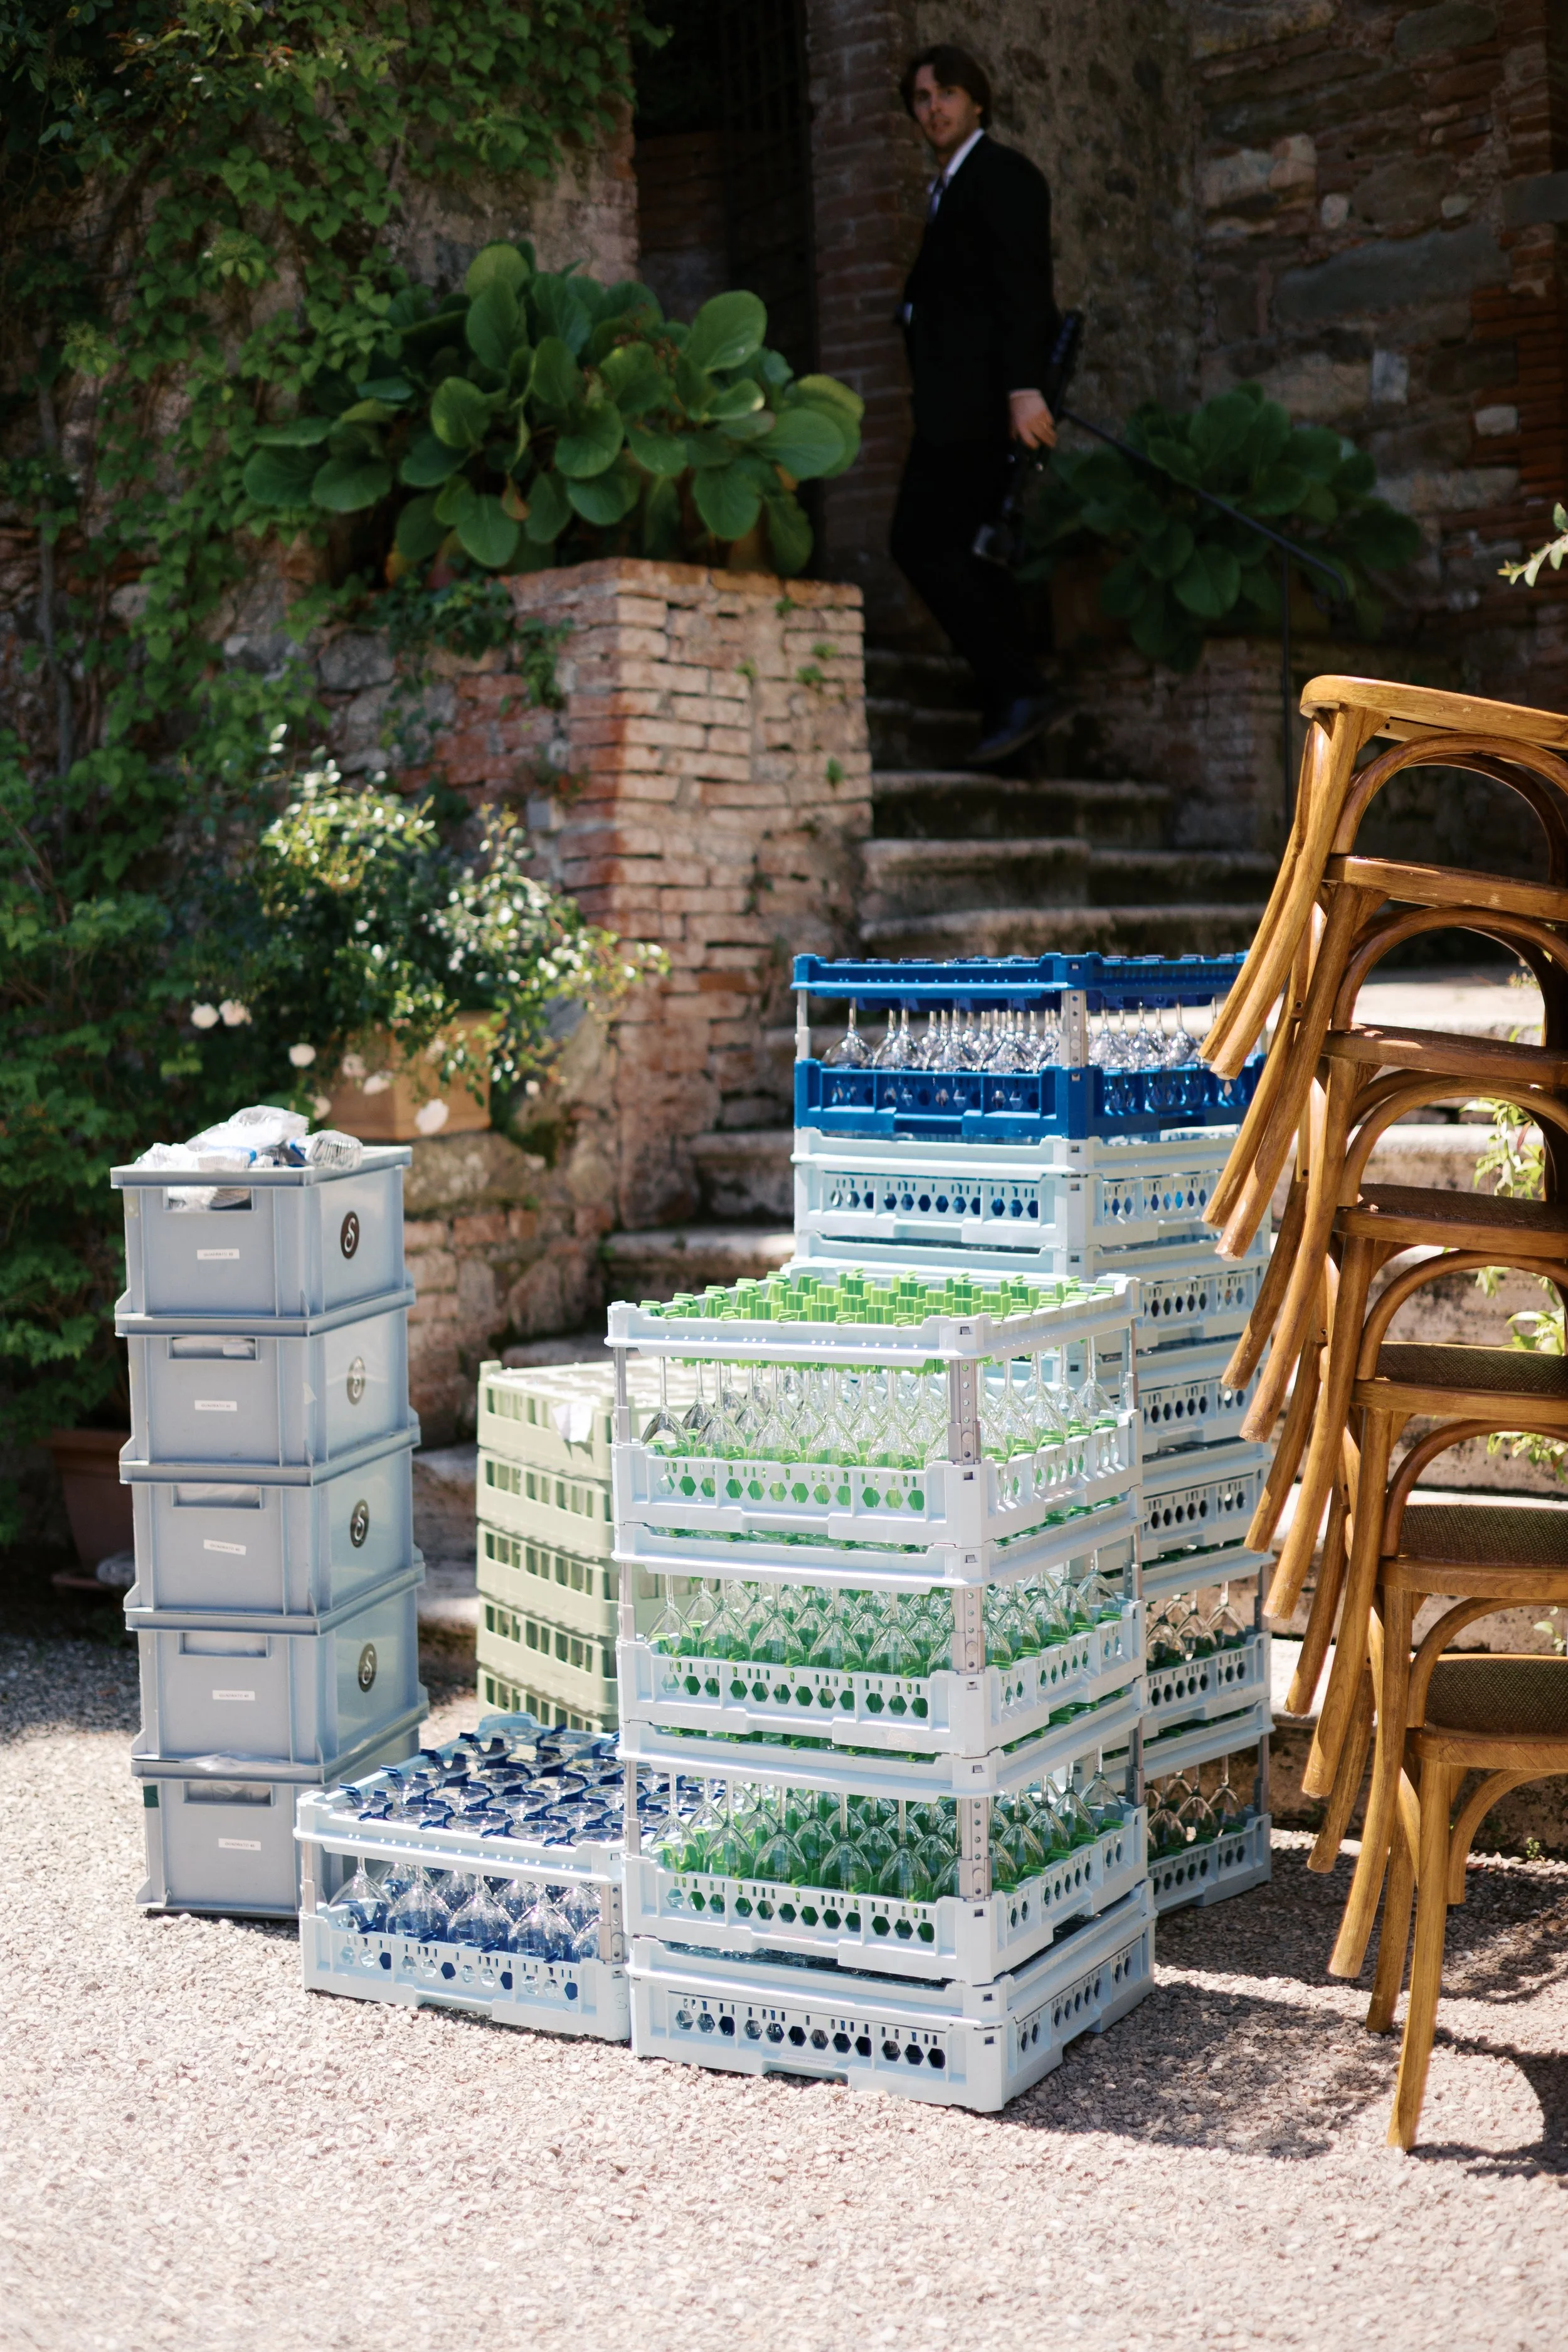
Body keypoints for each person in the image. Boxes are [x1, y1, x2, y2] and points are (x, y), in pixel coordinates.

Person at [891, 43, 1061, 768]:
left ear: (977, 101)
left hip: (981, 412)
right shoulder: (946, 190)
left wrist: (1026, 389)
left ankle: (1020, 691)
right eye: (923, 98)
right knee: (974, 560)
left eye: (947, 94)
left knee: (918, 541)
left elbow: (1025, 287)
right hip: (952, 410)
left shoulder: (1003, 175)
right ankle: (1015, 727)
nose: (934, 109)